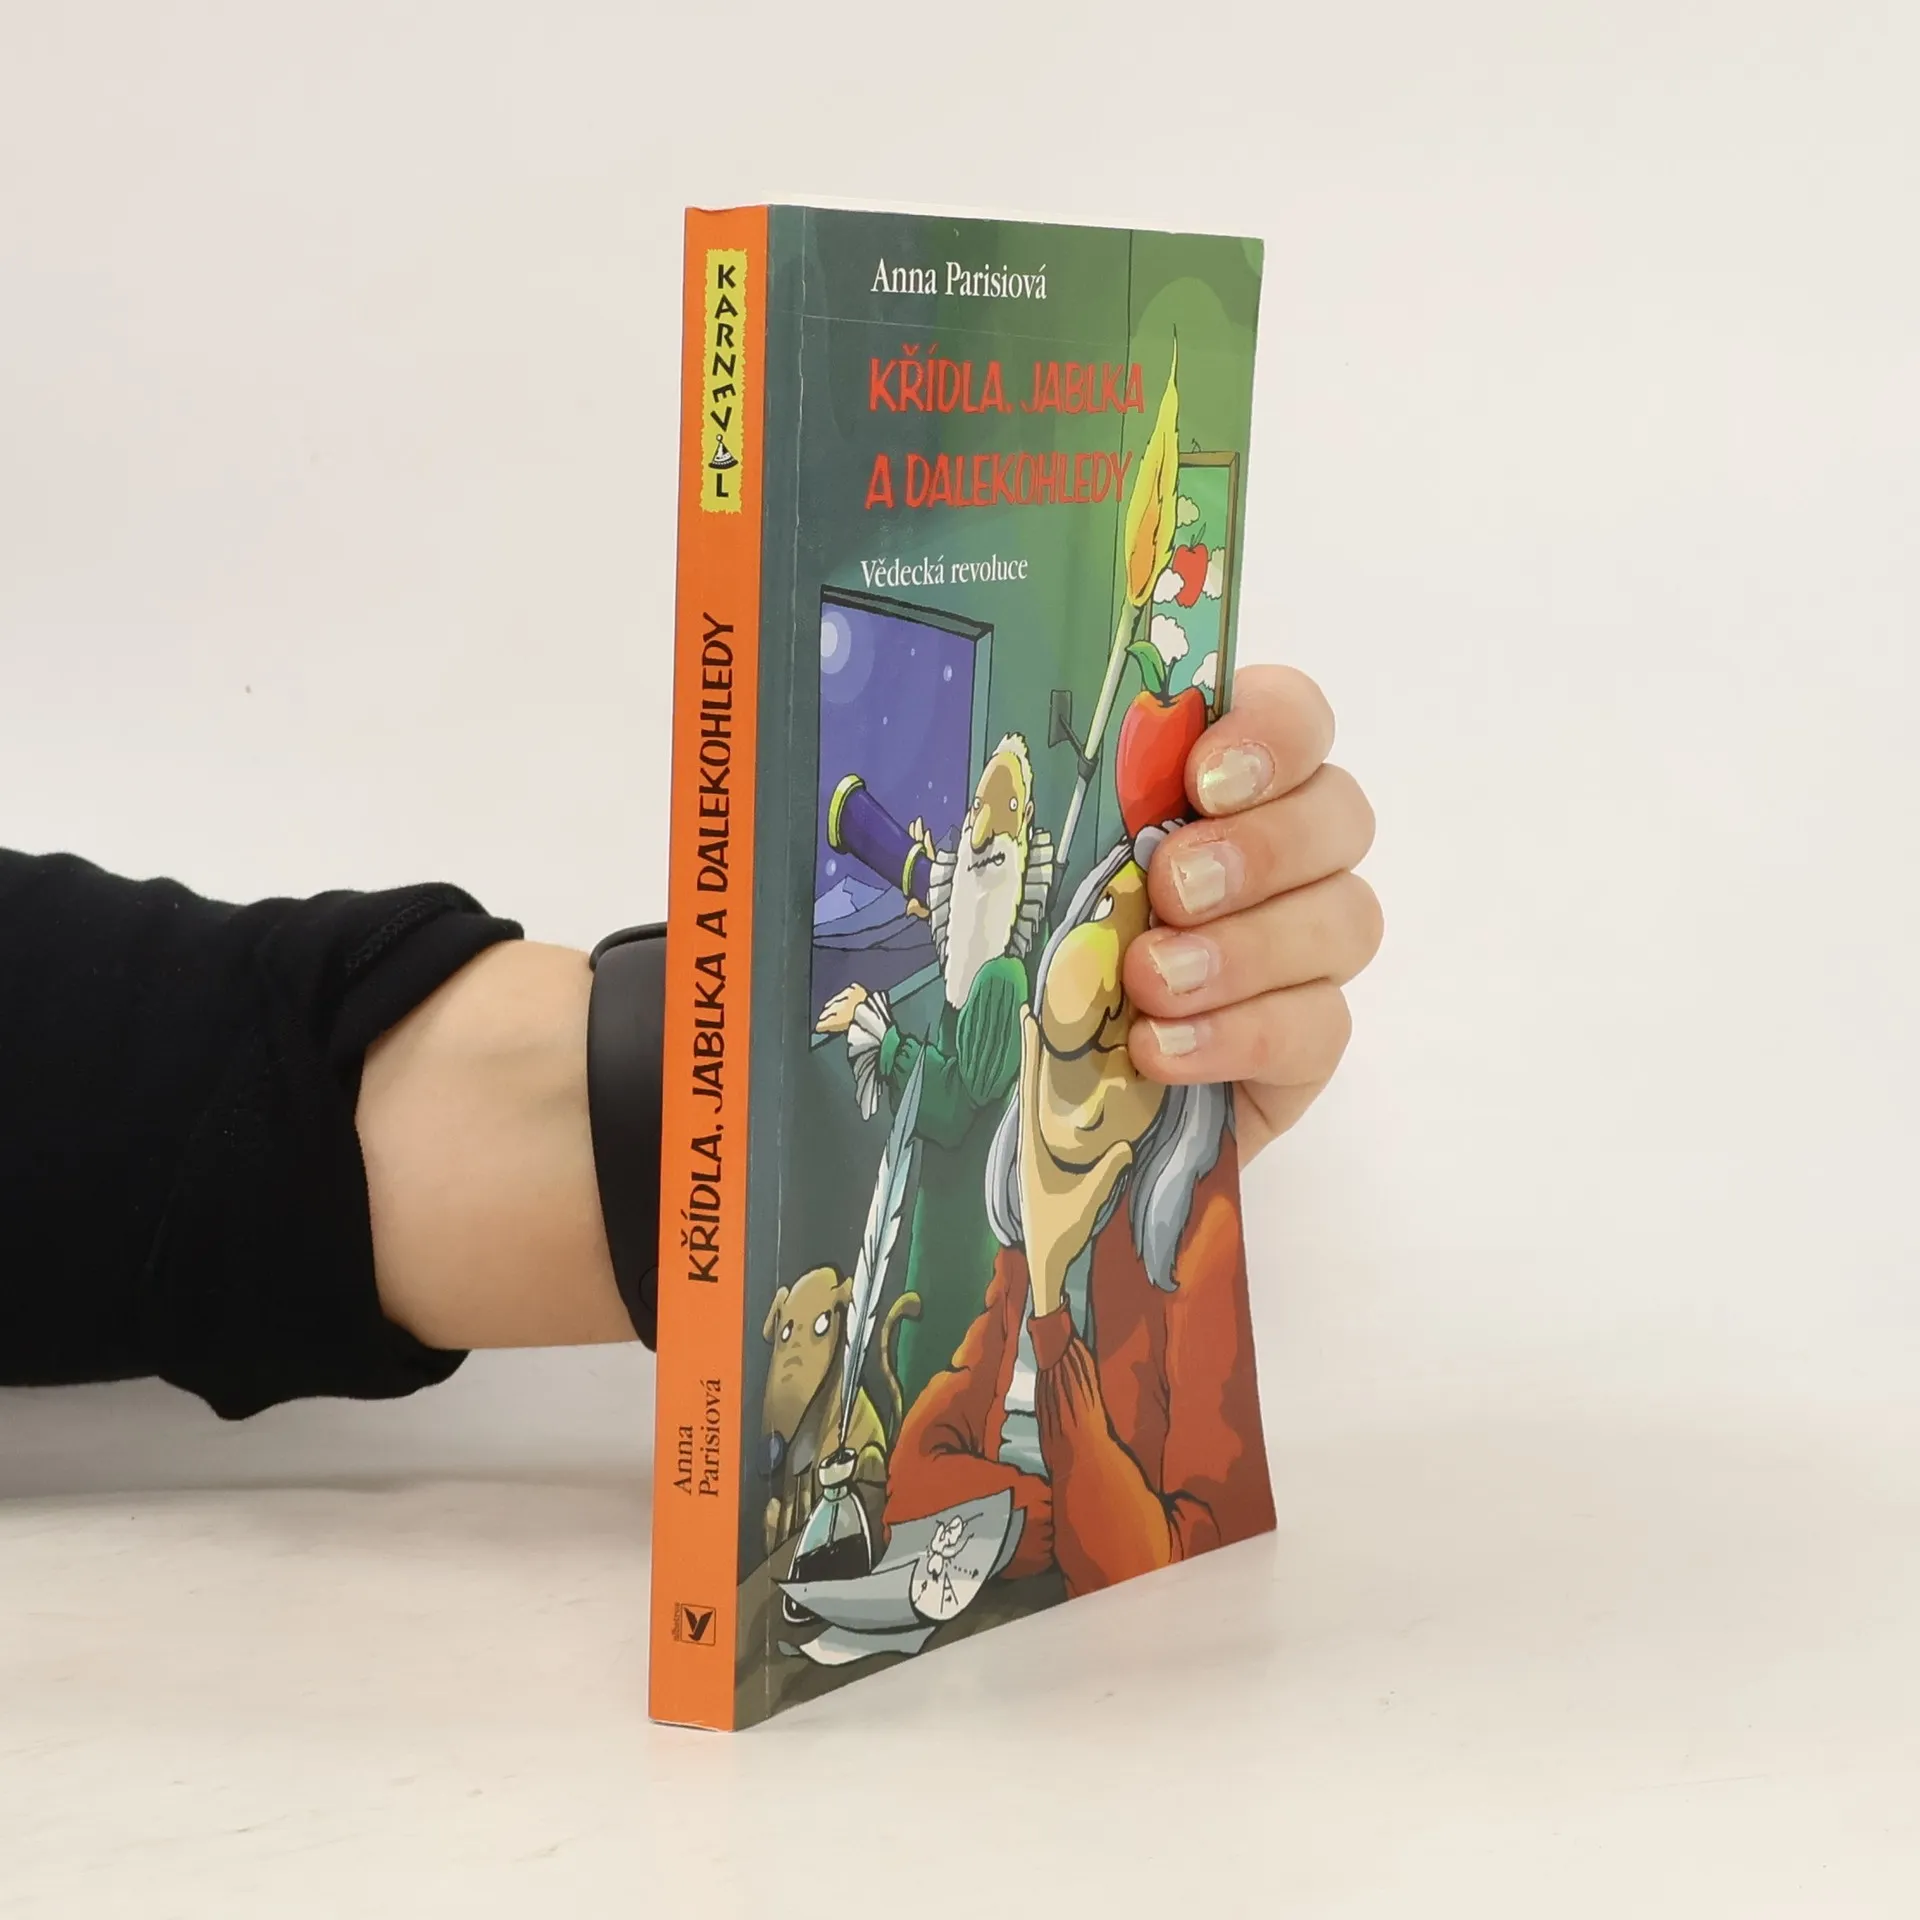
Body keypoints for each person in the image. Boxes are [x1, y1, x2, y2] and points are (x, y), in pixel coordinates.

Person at [0, 668, 1380, 1418]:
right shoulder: (971, 967)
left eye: (986, 845)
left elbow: (199, 1097)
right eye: (974, 835)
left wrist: (1124, 1096)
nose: (958, 856)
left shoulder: (1004, 978)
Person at [814, 732, 1053, 1407]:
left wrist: (880, 1034)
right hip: (944, 1208)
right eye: (979, 805)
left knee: (941, 1359)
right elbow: (967, 924)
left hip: (962, 1228)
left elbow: (949, 1108)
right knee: (926, 1347)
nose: (982, 823)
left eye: (1004, 810)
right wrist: (936, 904)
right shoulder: (977, 971)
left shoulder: (1001, 982)